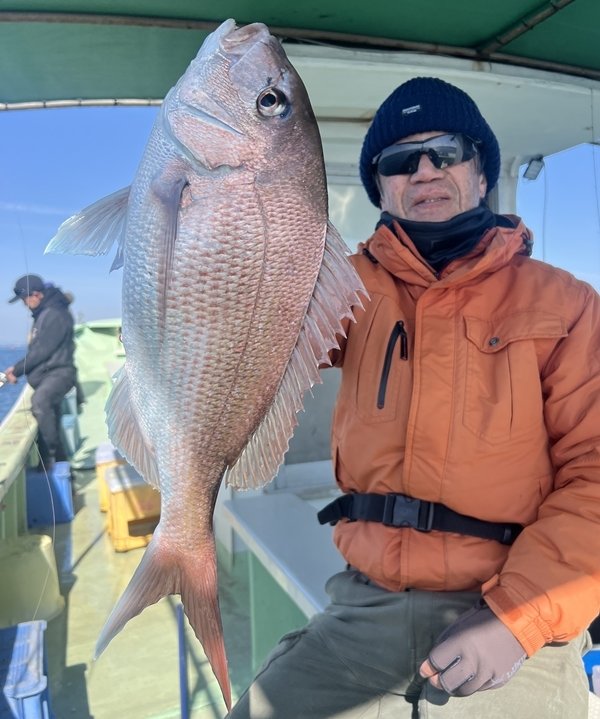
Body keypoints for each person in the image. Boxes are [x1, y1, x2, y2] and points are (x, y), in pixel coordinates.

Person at [228, 77, 600, 718]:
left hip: (509, 615)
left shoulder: (566, 303)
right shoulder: (340, 288)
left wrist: (518, 618)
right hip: (361, 609)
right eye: (401, 160)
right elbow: (251, 341)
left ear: (480, 172)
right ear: (382, 189)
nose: (425, 170)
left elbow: (594, 473)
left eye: (446, 151)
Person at [4, 273, 77, 469]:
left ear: (36, 295)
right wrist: (16, 369)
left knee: (40, 402)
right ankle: (56, 461)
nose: (24, 304)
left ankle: (51, 457)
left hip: (60, 374)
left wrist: (16, 370)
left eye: (24, 299)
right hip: (48, 375)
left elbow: (42, 350)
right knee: (51, 417)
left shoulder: (54, 314)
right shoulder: (45, 313)